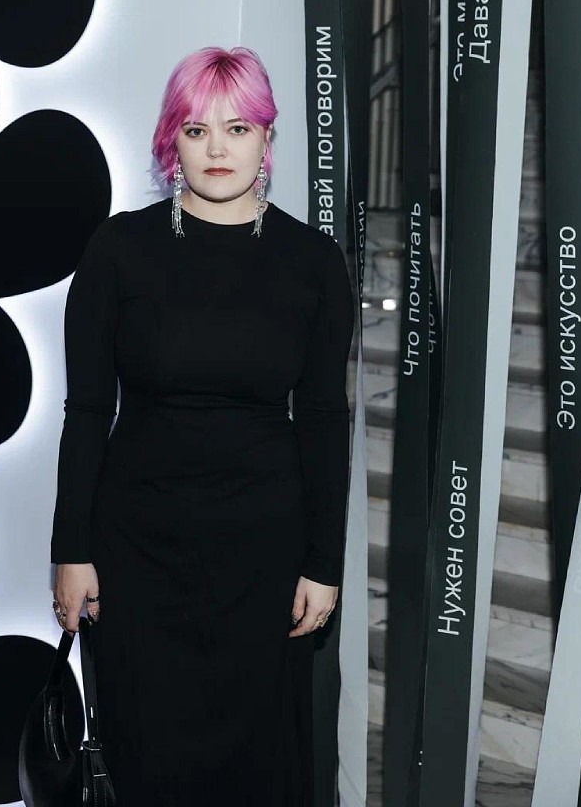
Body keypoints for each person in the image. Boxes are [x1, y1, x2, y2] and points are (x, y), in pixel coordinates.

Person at [50, 46, 355, 806]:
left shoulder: (315, 262)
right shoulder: (118, 250)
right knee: (140, 752)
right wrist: (71, 549)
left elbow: (323, 420)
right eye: (196, 129)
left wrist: (324, 561)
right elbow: (86, 411)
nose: (218, 148)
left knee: (258, 760)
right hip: (136, 553)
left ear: (267, 138)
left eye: (238, 128)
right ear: (172, 141)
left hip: (265, 555)